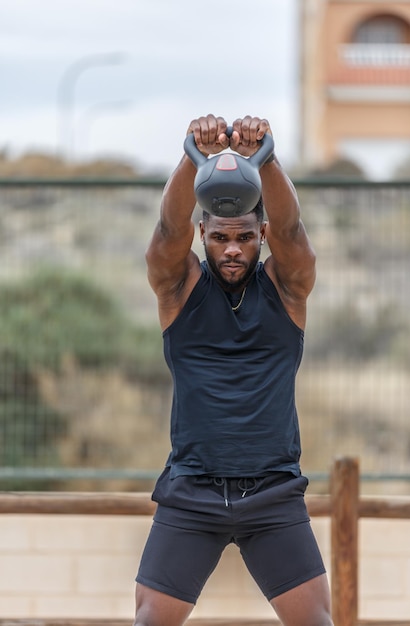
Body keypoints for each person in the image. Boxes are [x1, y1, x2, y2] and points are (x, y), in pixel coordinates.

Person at [134, 114, 333, 626]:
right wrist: (190, 155)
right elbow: (166, 230)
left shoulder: (288, 289)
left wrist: (265, 157)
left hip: (272, 492)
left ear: (260, 234)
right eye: (220, 237)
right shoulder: (178, 290)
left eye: (244, 237)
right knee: (151, 619)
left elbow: (292, 229)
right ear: (204, 232)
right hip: (191, 490)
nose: (231, 249)